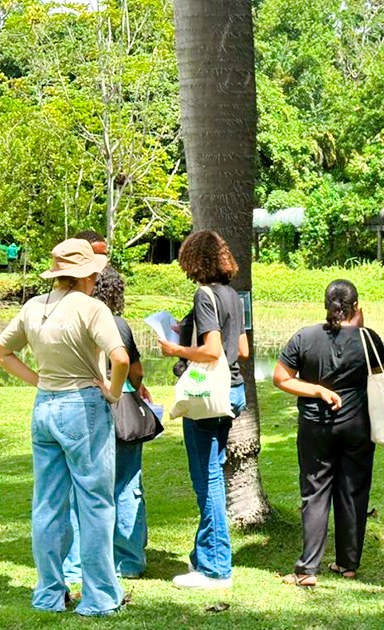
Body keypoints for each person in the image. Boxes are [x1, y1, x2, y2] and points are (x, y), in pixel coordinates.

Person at [0, 238, 129, 616]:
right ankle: (100, 598)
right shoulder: (92, 308)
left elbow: (3, 351)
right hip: (83, 406)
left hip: (45, 408)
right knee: (95, 504)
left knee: (48, 505)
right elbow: (119, 357)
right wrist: (114, 391)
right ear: (89, 274)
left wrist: (38, 380)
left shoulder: (33, 306)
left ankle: (48, 595)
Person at [273, 280, 384, 587]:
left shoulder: (305, 337)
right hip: (357, 427)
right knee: (353, 492)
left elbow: (281, 377)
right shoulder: (369, 339)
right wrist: (360, 329)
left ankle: (308, 569)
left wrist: (317, 389)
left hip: (316, 427)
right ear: (357, 306)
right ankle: (348, 564)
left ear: (326, 306)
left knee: (315, 493)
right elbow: (378, 375)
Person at [158, 230, 248, 590]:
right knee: (212, 475)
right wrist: (188, 330)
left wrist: (175, 350)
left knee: (207, 481)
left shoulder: (204, 294)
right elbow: (240, 348)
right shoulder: (234, 296)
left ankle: (215, 568)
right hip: (234, 391)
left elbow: (211, 351)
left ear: (193, 261)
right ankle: (204, 556)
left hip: (209, 397)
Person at [63, 265, 153, 581]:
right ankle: (128, 561)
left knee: (82, 487)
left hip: (81, 408)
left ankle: (76, 564)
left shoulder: (72, 319)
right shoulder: (119, 324)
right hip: (122, 411)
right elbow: (135, 369)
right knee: (127, 484)